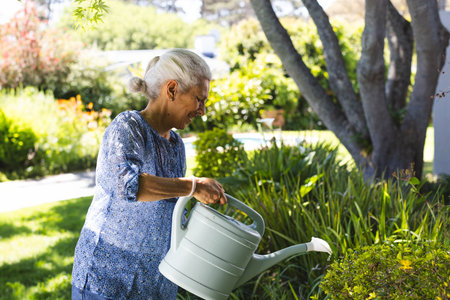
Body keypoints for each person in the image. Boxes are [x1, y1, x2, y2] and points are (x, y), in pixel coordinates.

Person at [71, 49, 227, 300]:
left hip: (156, 283)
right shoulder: (128, 126)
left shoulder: (176, 145)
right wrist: (194, 186)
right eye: (199, 99)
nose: (203, 110)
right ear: (172, 89)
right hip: (107, 281)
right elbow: (128, 185)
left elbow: (169, 208)